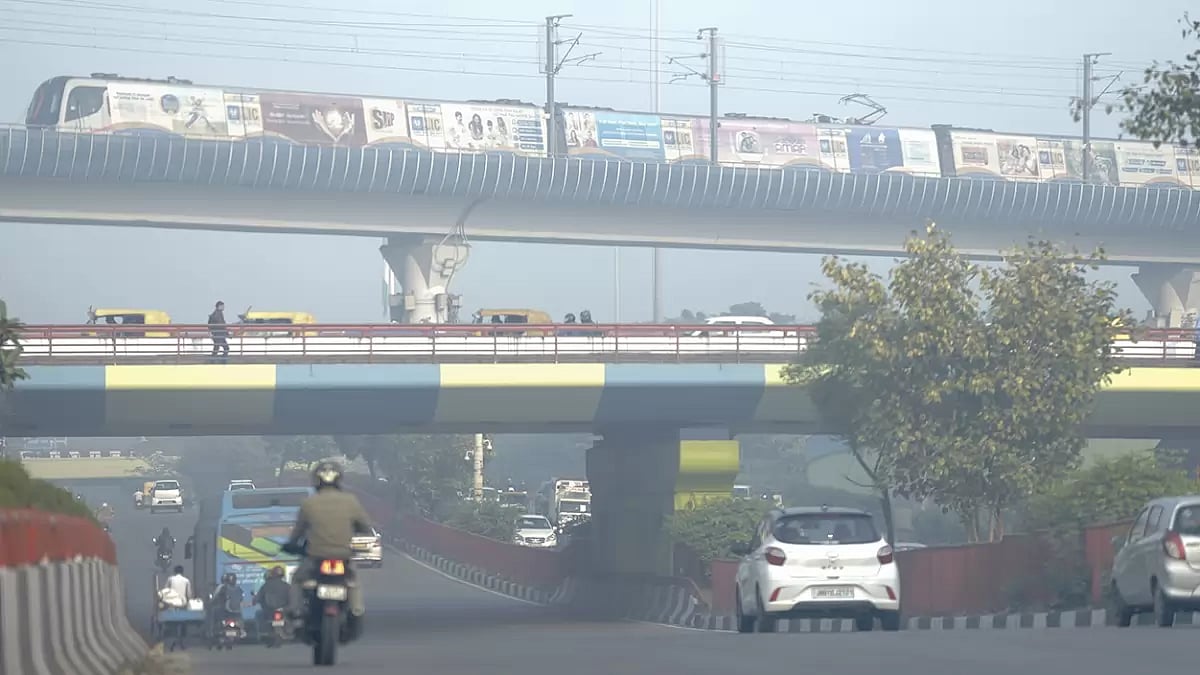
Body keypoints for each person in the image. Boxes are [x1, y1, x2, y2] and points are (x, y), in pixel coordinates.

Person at [282, 461, 372, 639]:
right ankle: (356, 609)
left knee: (297, 580)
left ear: (316, 481)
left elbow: (298, 532)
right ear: (339, 480)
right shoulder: (350, 501)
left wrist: (291, 545)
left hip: (316, 558)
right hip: (343, 557)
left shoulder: (309, 503)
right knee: (353, 582)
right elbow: (365, 526)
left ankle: (296, 610)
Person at [254, 566, 291, 634]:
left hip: (270, 610)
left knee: (258, 614)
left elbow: (258, 597)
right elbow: (293, 598)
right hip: (283, 609)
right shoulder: (287, 586)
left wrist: (254, 601)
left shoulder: (266, 585)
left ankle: (262, 632)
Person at [209, 572, 245, 639]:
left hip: (225, 611)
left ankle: (211, 633)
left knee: (212, 613)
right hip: (236, 612)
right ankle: (242, 630)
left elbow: (215, 598)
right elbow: (241, 599)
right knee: (240, 618)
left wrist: (211, 602)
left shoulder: (222, 587)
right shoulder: (239, 588)